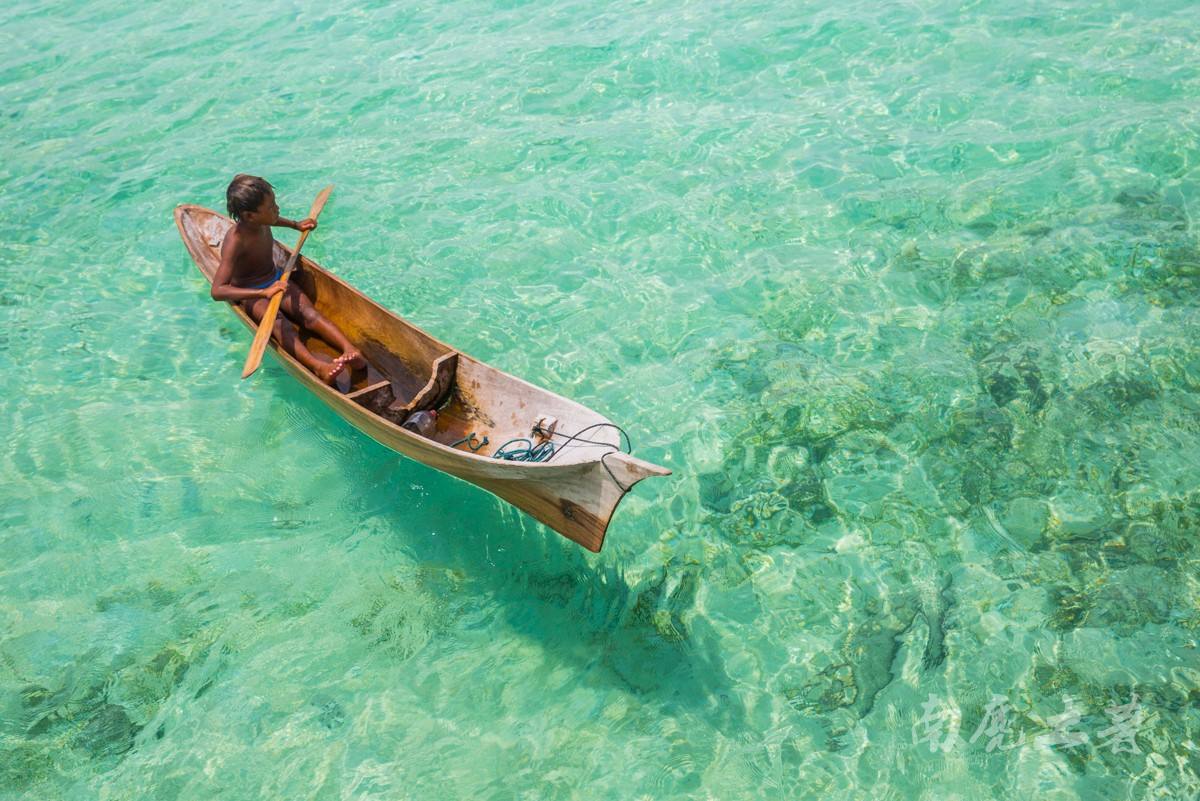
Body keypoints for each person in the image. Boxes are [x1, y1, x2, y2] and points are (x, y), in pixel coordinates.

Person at [210, 174, 364, 385]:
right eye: (272, 207)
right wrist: (262, 293)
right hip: (252, 294)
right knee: (281, 326)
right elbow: (217, 290)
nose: (277, 209)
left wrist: (295, 225)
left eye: (274, 203)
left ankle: (350, 349)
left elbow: (272, 220)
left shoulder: (262, 221)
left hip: (276, 279)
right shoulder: (235, 241)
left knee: (310, 315)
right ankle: (318, 367)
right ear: (250, 216)